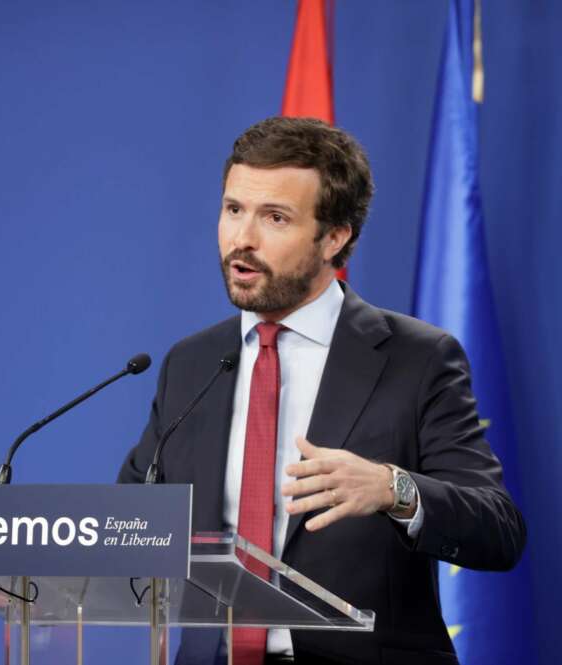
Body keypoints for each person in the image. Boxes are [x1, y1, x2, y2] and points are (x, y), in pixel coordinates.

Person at [118, 117, 525, 665]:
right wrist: (16, 578)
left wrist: (393, 488)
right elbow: (129, 523)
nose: (242, 238)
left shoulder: (419, 359)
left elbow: (497, 530)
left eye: (276, 218)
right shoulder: (190, 363)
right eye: (233, 209)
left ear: (335, 237)